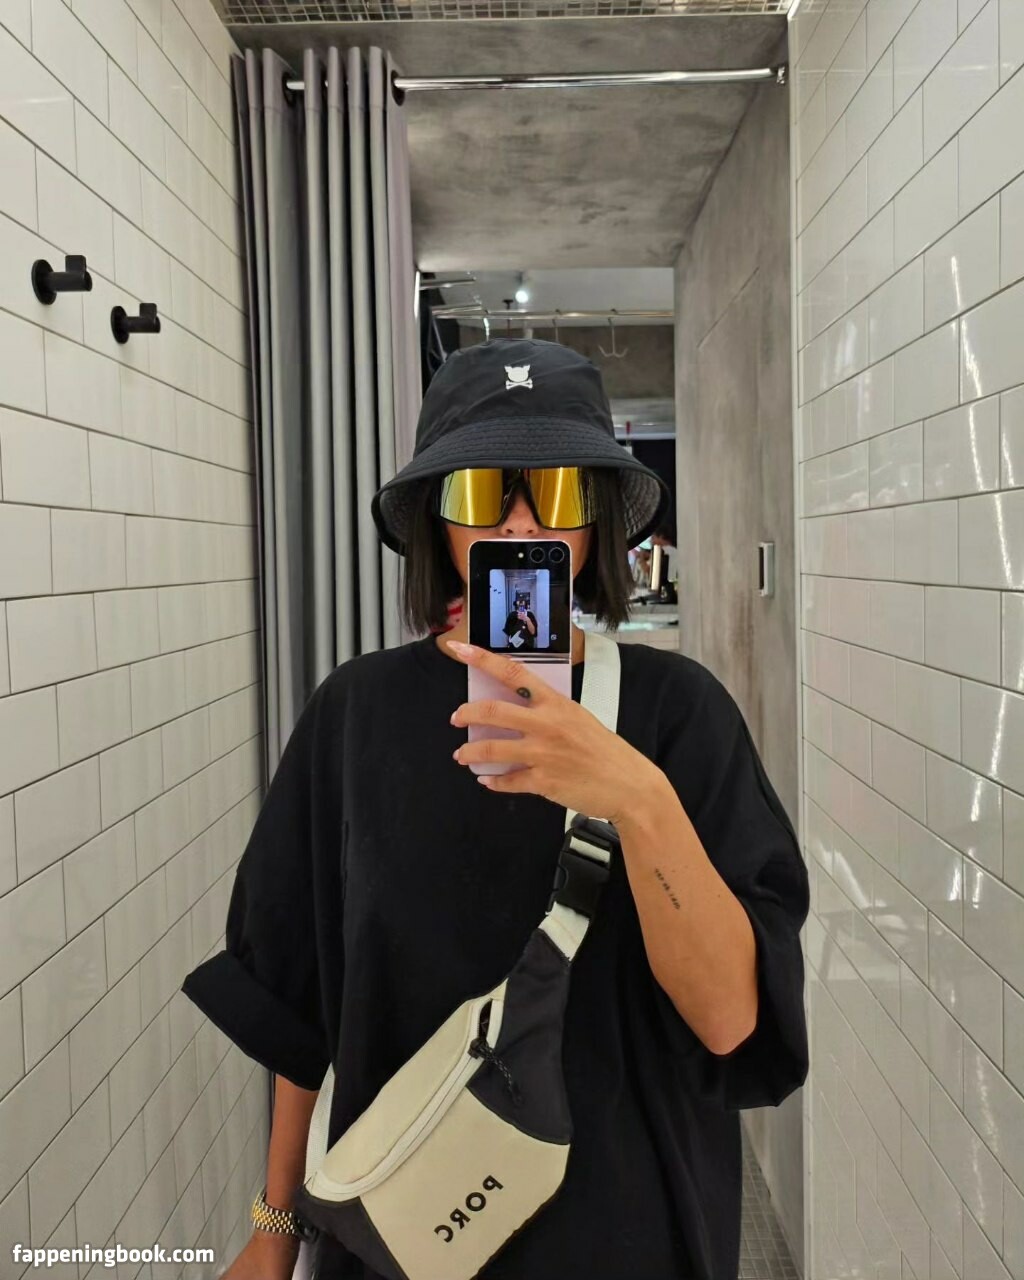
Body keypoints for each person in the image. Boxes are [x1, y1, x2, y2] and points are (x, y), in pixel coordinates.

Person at [181, 338, 808, 1280]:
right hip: (399, 1239)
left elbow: (729, 1021)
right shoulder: (354, 716)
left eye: (557, 489)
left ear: (597, 520)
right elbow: (299, 1012)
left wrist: (636, 795)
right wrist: (275, 1230)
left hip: (632, 1240)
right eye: (481, 492)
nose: (521, 522)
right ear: (438, 522)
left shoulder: (681, 714)